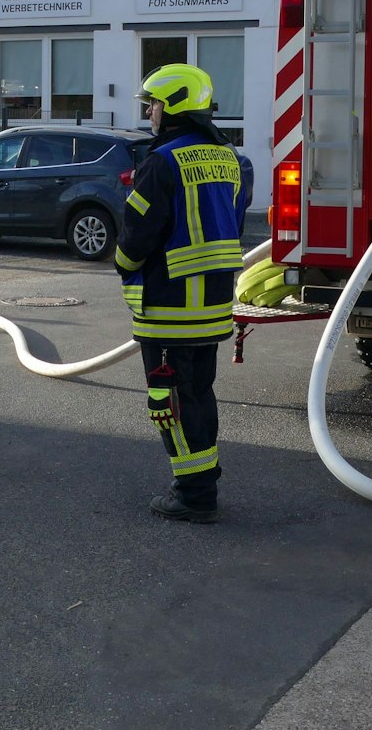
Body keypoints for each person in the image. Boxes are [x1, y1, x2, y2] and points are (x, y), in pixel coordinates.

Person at [116, 63, 249, 523]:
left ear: (173, 106)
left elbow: (137, 234)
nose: (149, 112)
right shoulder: (229, 157)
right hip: (214, 304)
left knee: (168, 401)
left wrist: (123, 266)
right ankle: (203, 479)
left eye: (153, 103)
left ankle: (194, 494)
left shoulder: (162, 161)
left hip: (169, 306)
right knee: (197, 393)